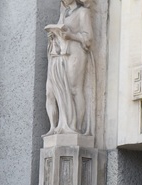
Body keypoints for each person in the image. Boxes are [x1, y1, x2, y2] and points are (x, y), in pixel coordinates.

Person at [43, 0, 94, 135]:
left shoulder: (83, 12)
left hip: (76, 53)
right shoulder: (64, 12)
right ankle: (55, 127)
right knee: (51, 91)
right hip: (60, 54)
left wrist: (71, 35)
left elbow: (88, 39)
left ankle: (75, 127)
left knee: (74, 89)